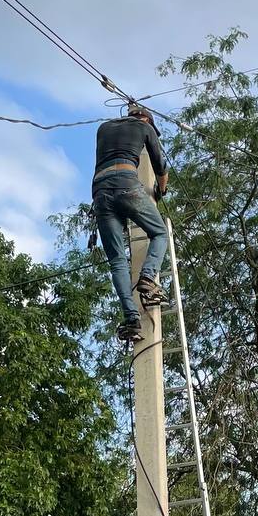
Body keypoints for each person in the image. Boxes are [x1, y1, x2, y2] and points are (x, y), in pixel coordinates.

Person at [91, 102, 170, 344]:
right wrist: (162, 190)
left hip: (100, 192)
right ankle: (148, 278)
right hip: (127, 184)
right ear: (147, 120)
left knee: (117, 261)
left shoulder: (103, 128)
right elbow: (160, 166)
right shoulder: (144, 128)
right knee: (159, 233)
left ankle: (131, 318)